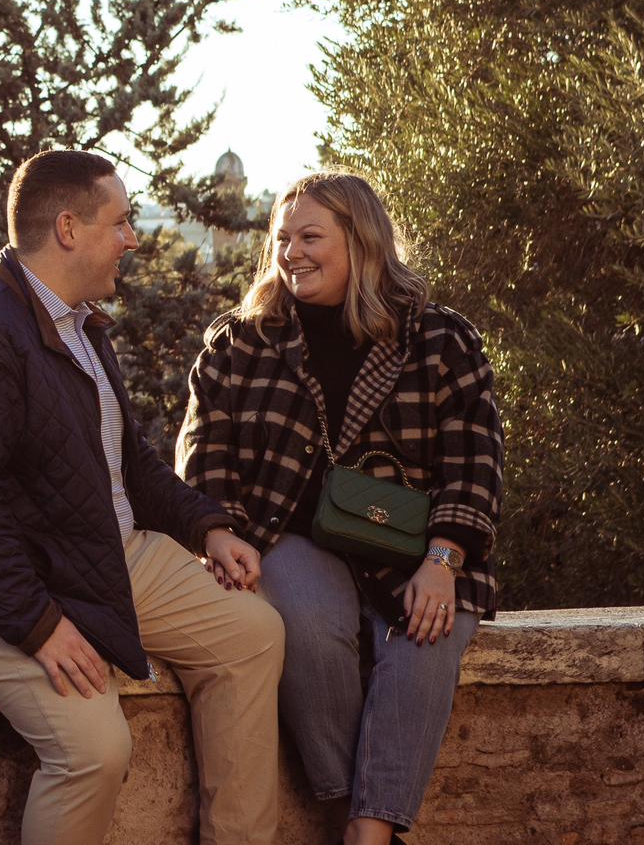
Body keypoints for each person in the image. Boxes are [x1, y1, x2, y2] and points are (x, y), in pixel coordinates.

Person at [0, 149, 286, 845]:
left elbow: (127, 461)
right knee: (93, 749)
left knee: (252, 634)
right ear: (69, 229)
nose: (133, 239)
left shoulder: (79, 324)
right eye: (122, 222)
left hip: (99, 551)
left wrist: (207, 529)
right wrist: (38, 625)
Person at [177, 173, 504, 845]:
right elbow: (203, 452)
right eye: (281, 238)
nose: (290, 252)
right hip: (287, 535)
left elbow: (475, 460)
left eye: (310, 237)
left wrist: (444, 561)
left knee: (427, 640)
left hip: (423, 545)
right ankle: (358, 807)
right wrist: (216, 530)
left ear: (362, 242)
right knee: (306, 623)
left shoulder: (442, 341)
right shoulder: (239, 343)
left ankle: (367, 829)